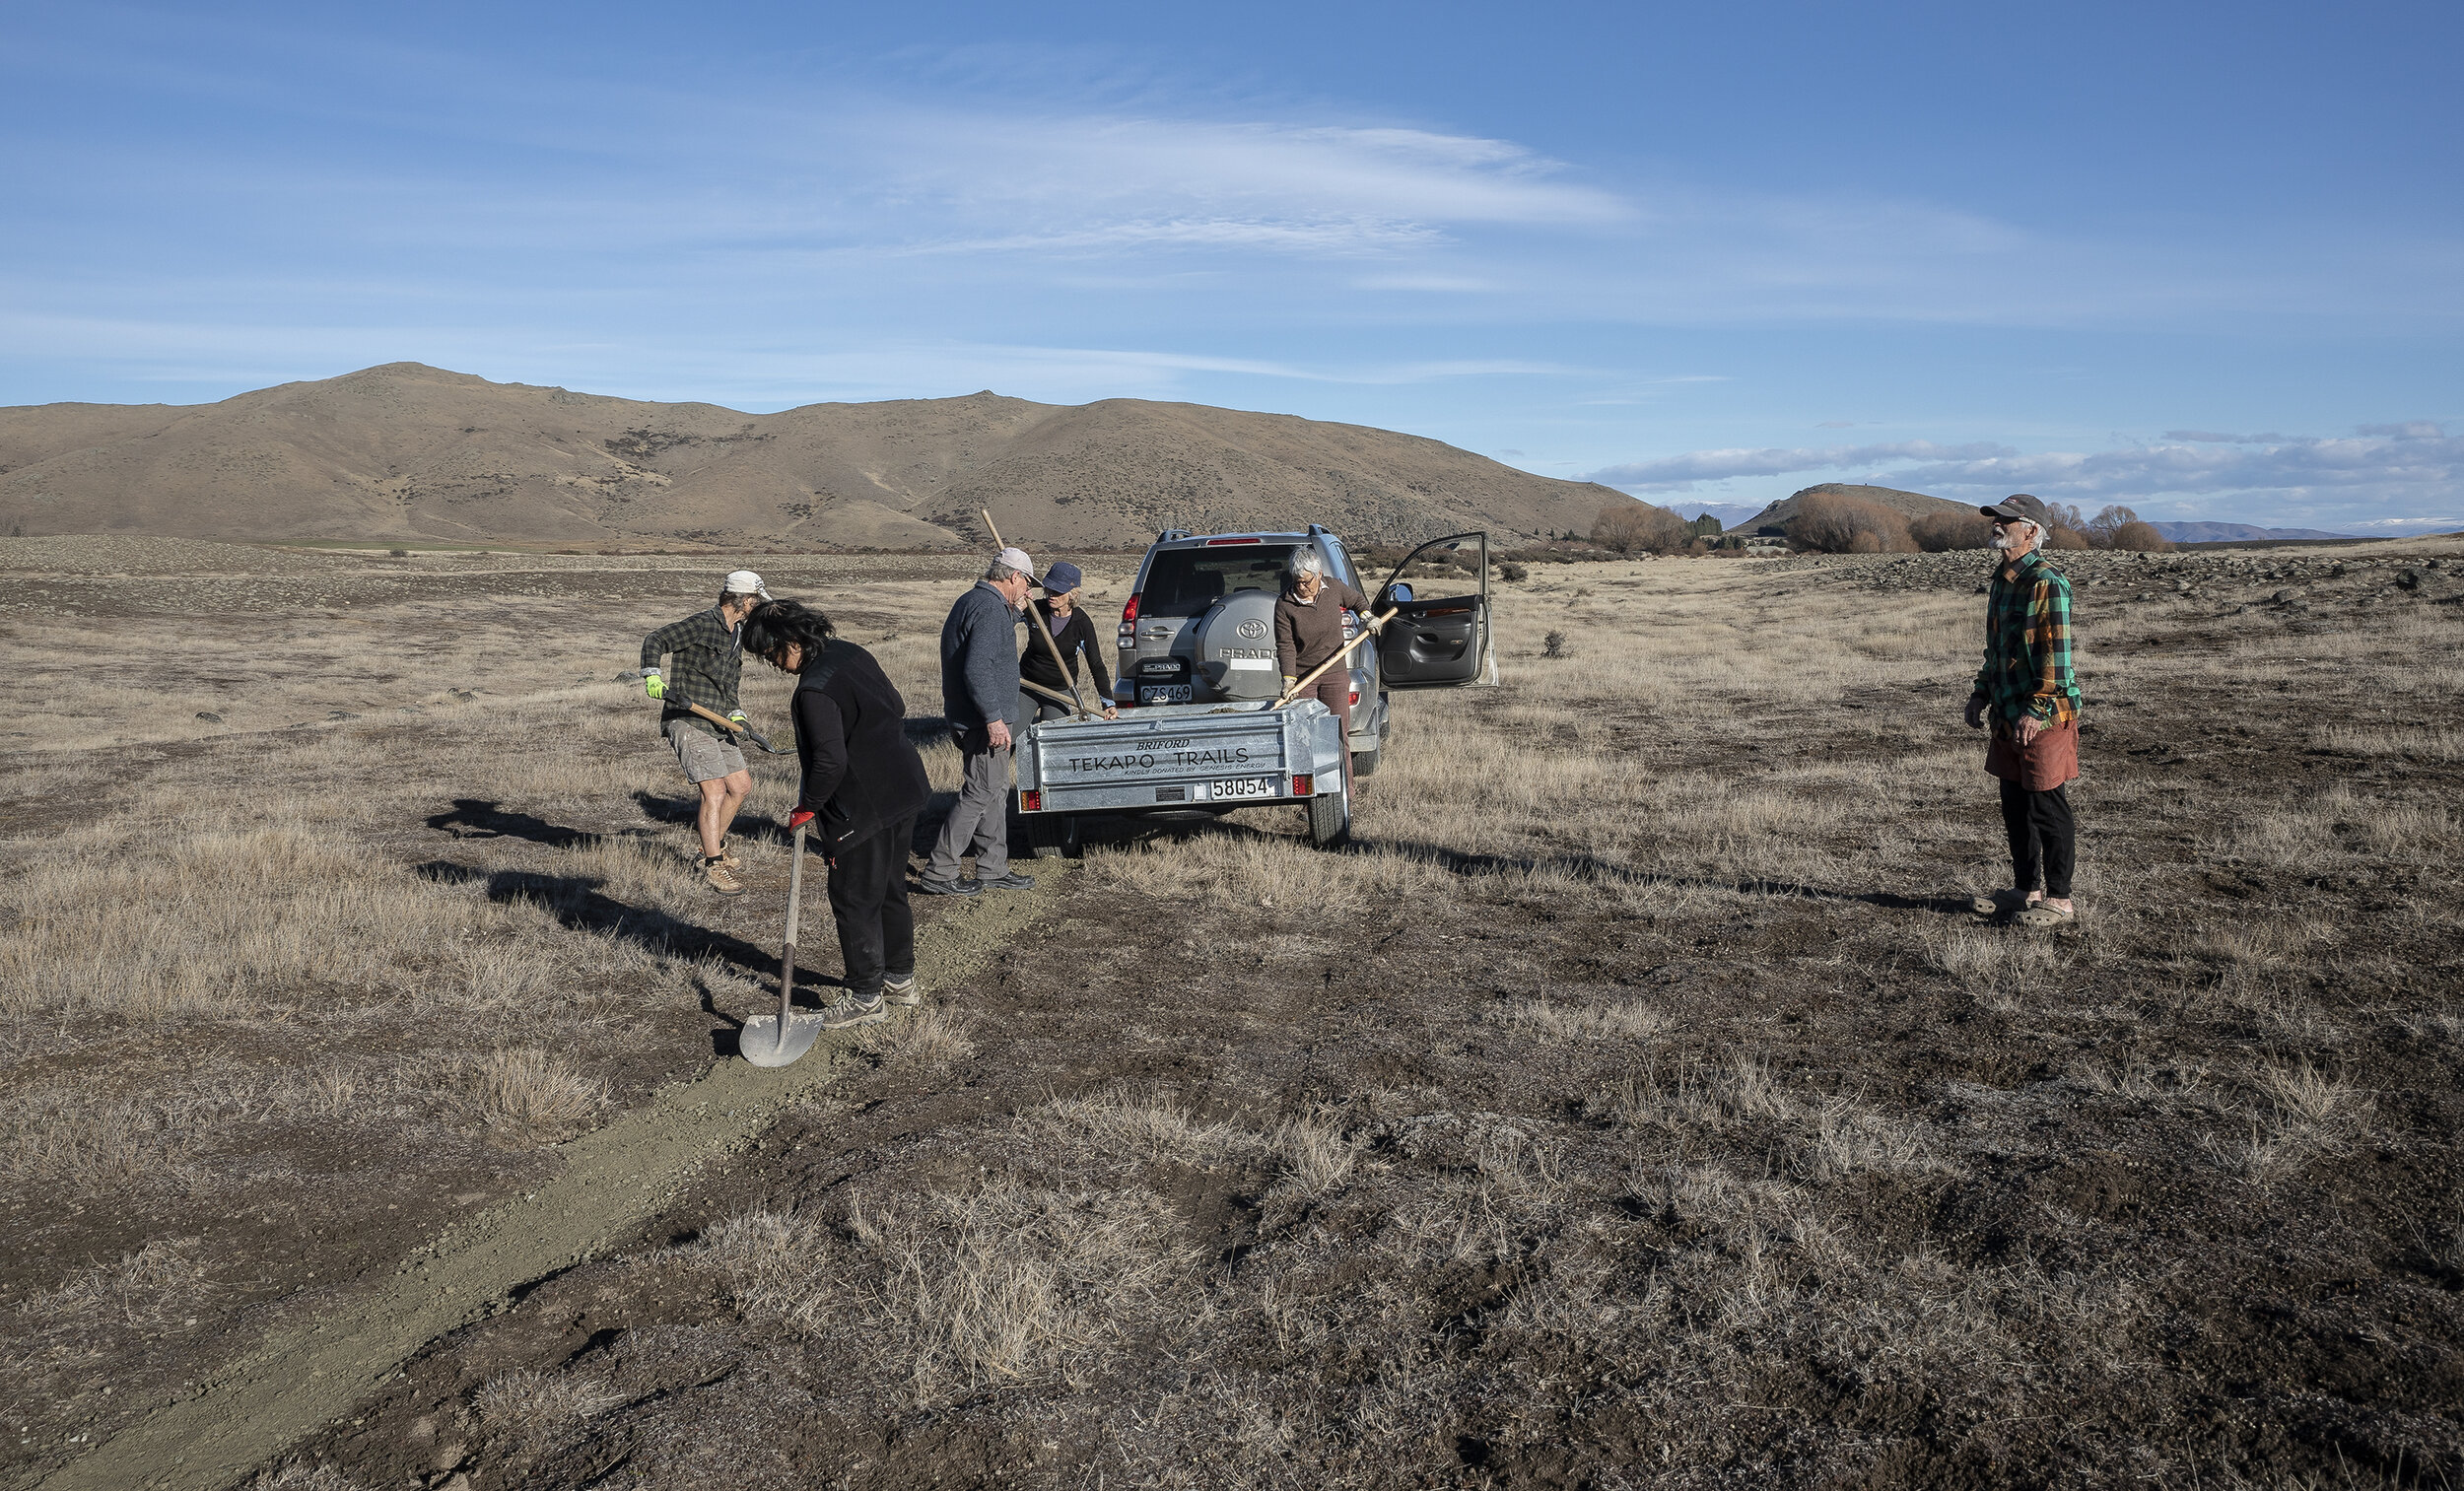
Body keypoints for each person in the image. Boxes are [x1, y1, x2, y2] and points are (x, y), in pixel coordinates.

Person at [741, 599, 932, 1029]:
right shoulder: (851, 652)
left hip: (861, 808)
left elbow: (830, 762)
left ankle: (865, 996)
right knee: (889, 888)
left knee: (853, 899)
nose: (775, 664)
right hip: (904, 787)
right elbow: (897, 704)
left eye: (772, 653)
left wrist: (807, 806)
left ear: (792, 640)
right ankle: (900, 980)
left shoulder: (814, 690)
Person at [1964, 494, 2084, 928]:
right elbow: (1997, 650)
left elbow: (2056, 658)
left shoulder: (2045, 582)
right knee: (2015, 808)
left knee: (2046, 806)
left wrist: (2036, 709)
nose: (1997, 525)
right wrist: (1981, 693)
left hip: (2043, 716)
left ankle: (2060, 900)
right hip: (2007, 712)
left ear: (2032, 531)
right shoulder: (2002, 579)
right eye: (1996, 518)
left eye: (2008, 520)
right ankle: (2026, 890)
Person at [640, 569, 771, 896]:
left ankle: (710, 847)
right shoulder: (701, 624)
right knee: (714, 792)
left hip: (717, 720)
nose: (758, 607)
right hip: (688, 718)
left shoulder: (737, 634)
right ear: (745, 600)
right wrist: (652, 675)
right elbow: (656, 639)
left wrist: (737, 713)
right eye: (757, 600)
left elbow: (730, 685)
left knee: (740, 786)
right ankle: (713, 865)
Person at [921, 547, 1037, 896]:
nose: (1028, 589)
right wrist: (994, 718)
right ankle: (940, 869)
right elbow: (977, 668)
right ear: (1014, 576)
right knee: (980, 792)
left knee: (995, 790)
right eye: (1027, 582)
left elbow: (990, 641)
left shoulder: (976, 602)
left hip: (975, 716)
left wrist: (1015, 613)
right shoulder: (988, 608)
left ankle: (992, 867)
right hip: (982, 721)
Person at [1273, 547, 1380, 793]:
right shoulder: (1284, 604)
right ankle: (1312, 797)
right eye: (1297, 581)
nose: (1301, 587)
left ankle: (1345, 793)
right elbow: (1286, 645)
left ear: (1319, 574)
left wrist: (1368, 618)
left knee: (1339, 733)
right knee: (1307, 738)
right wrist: (1289, 679)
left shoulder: (1334, 588)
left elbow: (1357, 601)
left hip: (1335, 672)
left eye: (1306, 581)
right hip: (1304, 678)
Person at [1019, 560, 1119, 722]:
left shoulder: (1082, 623)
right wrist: (1017, 605)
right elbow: (1003, 622)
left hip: (1060, 691)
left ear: (1072, 594)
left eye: (1058, 591)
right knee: (1010, 733)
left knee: (1053, 734)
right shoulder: (1035, 609)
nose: (1051, 594)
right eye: (1049, 589)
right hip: (1026, 684)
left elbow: (1096, 664)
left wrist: (1107, 701)